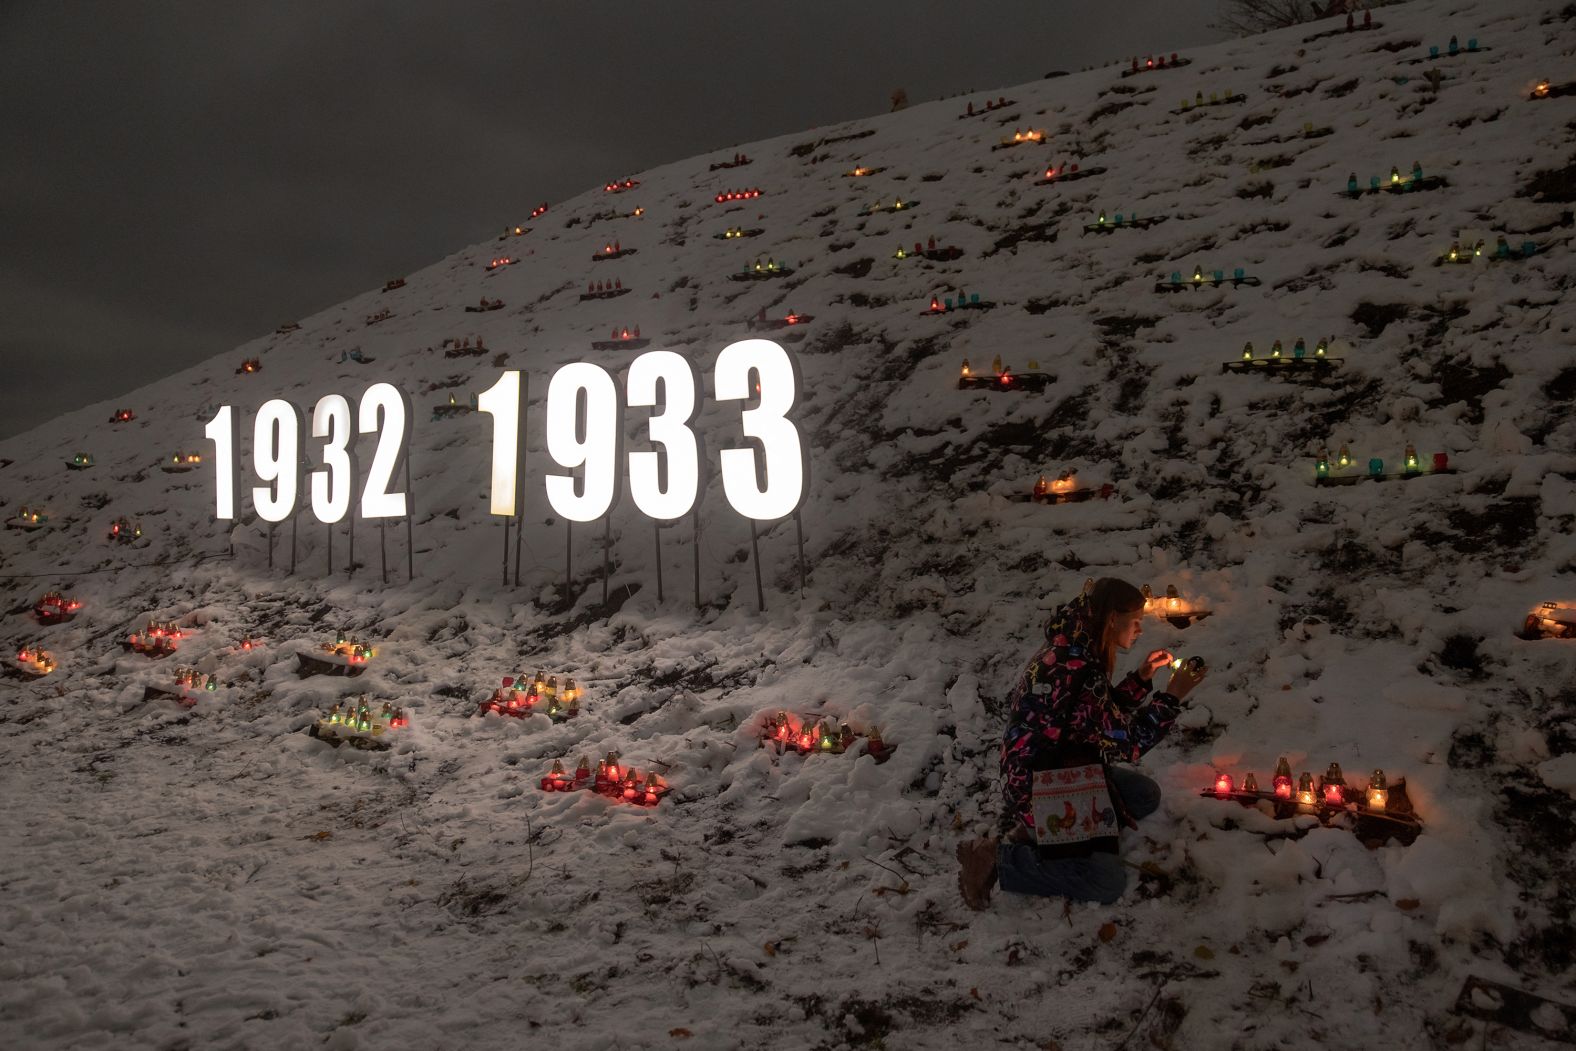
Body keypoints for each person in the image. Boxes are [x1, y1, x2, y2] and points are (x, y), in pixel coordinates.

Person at [958, 578, 1205, 909]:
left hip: (1060, 767)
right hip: (1042, 784)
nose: (1139, 630)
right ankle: (998, 859)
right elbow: (1130, 744)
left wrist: (1142, 677)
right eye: (1135, 622)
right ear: (1111, 619)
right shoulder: (1078, 667)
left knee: (1144, 795)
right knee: (1106, 881)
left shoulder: (1074, 645)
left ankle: (1052, 836)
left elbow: (1091, 714)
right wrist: (1173, 696)